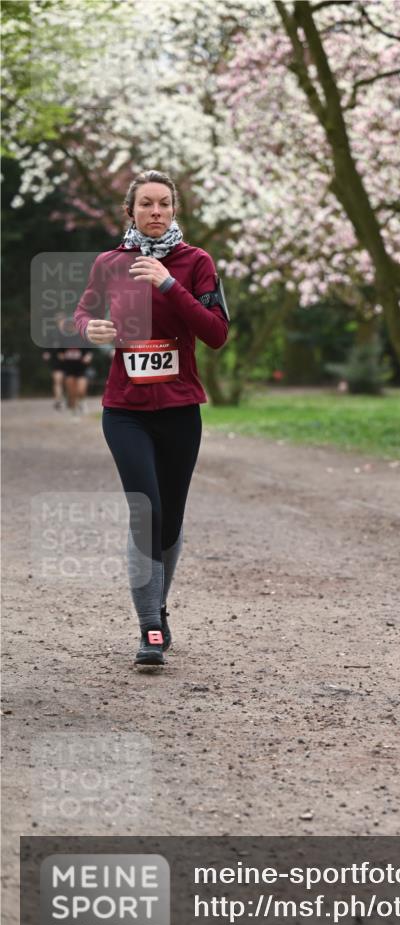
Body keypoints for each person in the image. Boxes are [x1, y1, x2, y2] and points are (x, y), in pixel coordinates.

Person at [74, 169, 229, 670]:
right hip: (125, 411)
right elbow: (82, 314)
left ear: (175, 209)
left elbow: (216, 333)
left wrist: (168, 285)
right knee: (147, 510)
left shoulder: (196, 263)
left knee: (171, 519)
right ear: (131, 211)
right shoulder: (109, 263)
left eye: (164, 203)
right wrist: (90, 329)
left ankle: (157, 601)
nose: (156, 212)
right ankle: (150, 625)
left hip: (181, 410)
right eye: (146, 204)